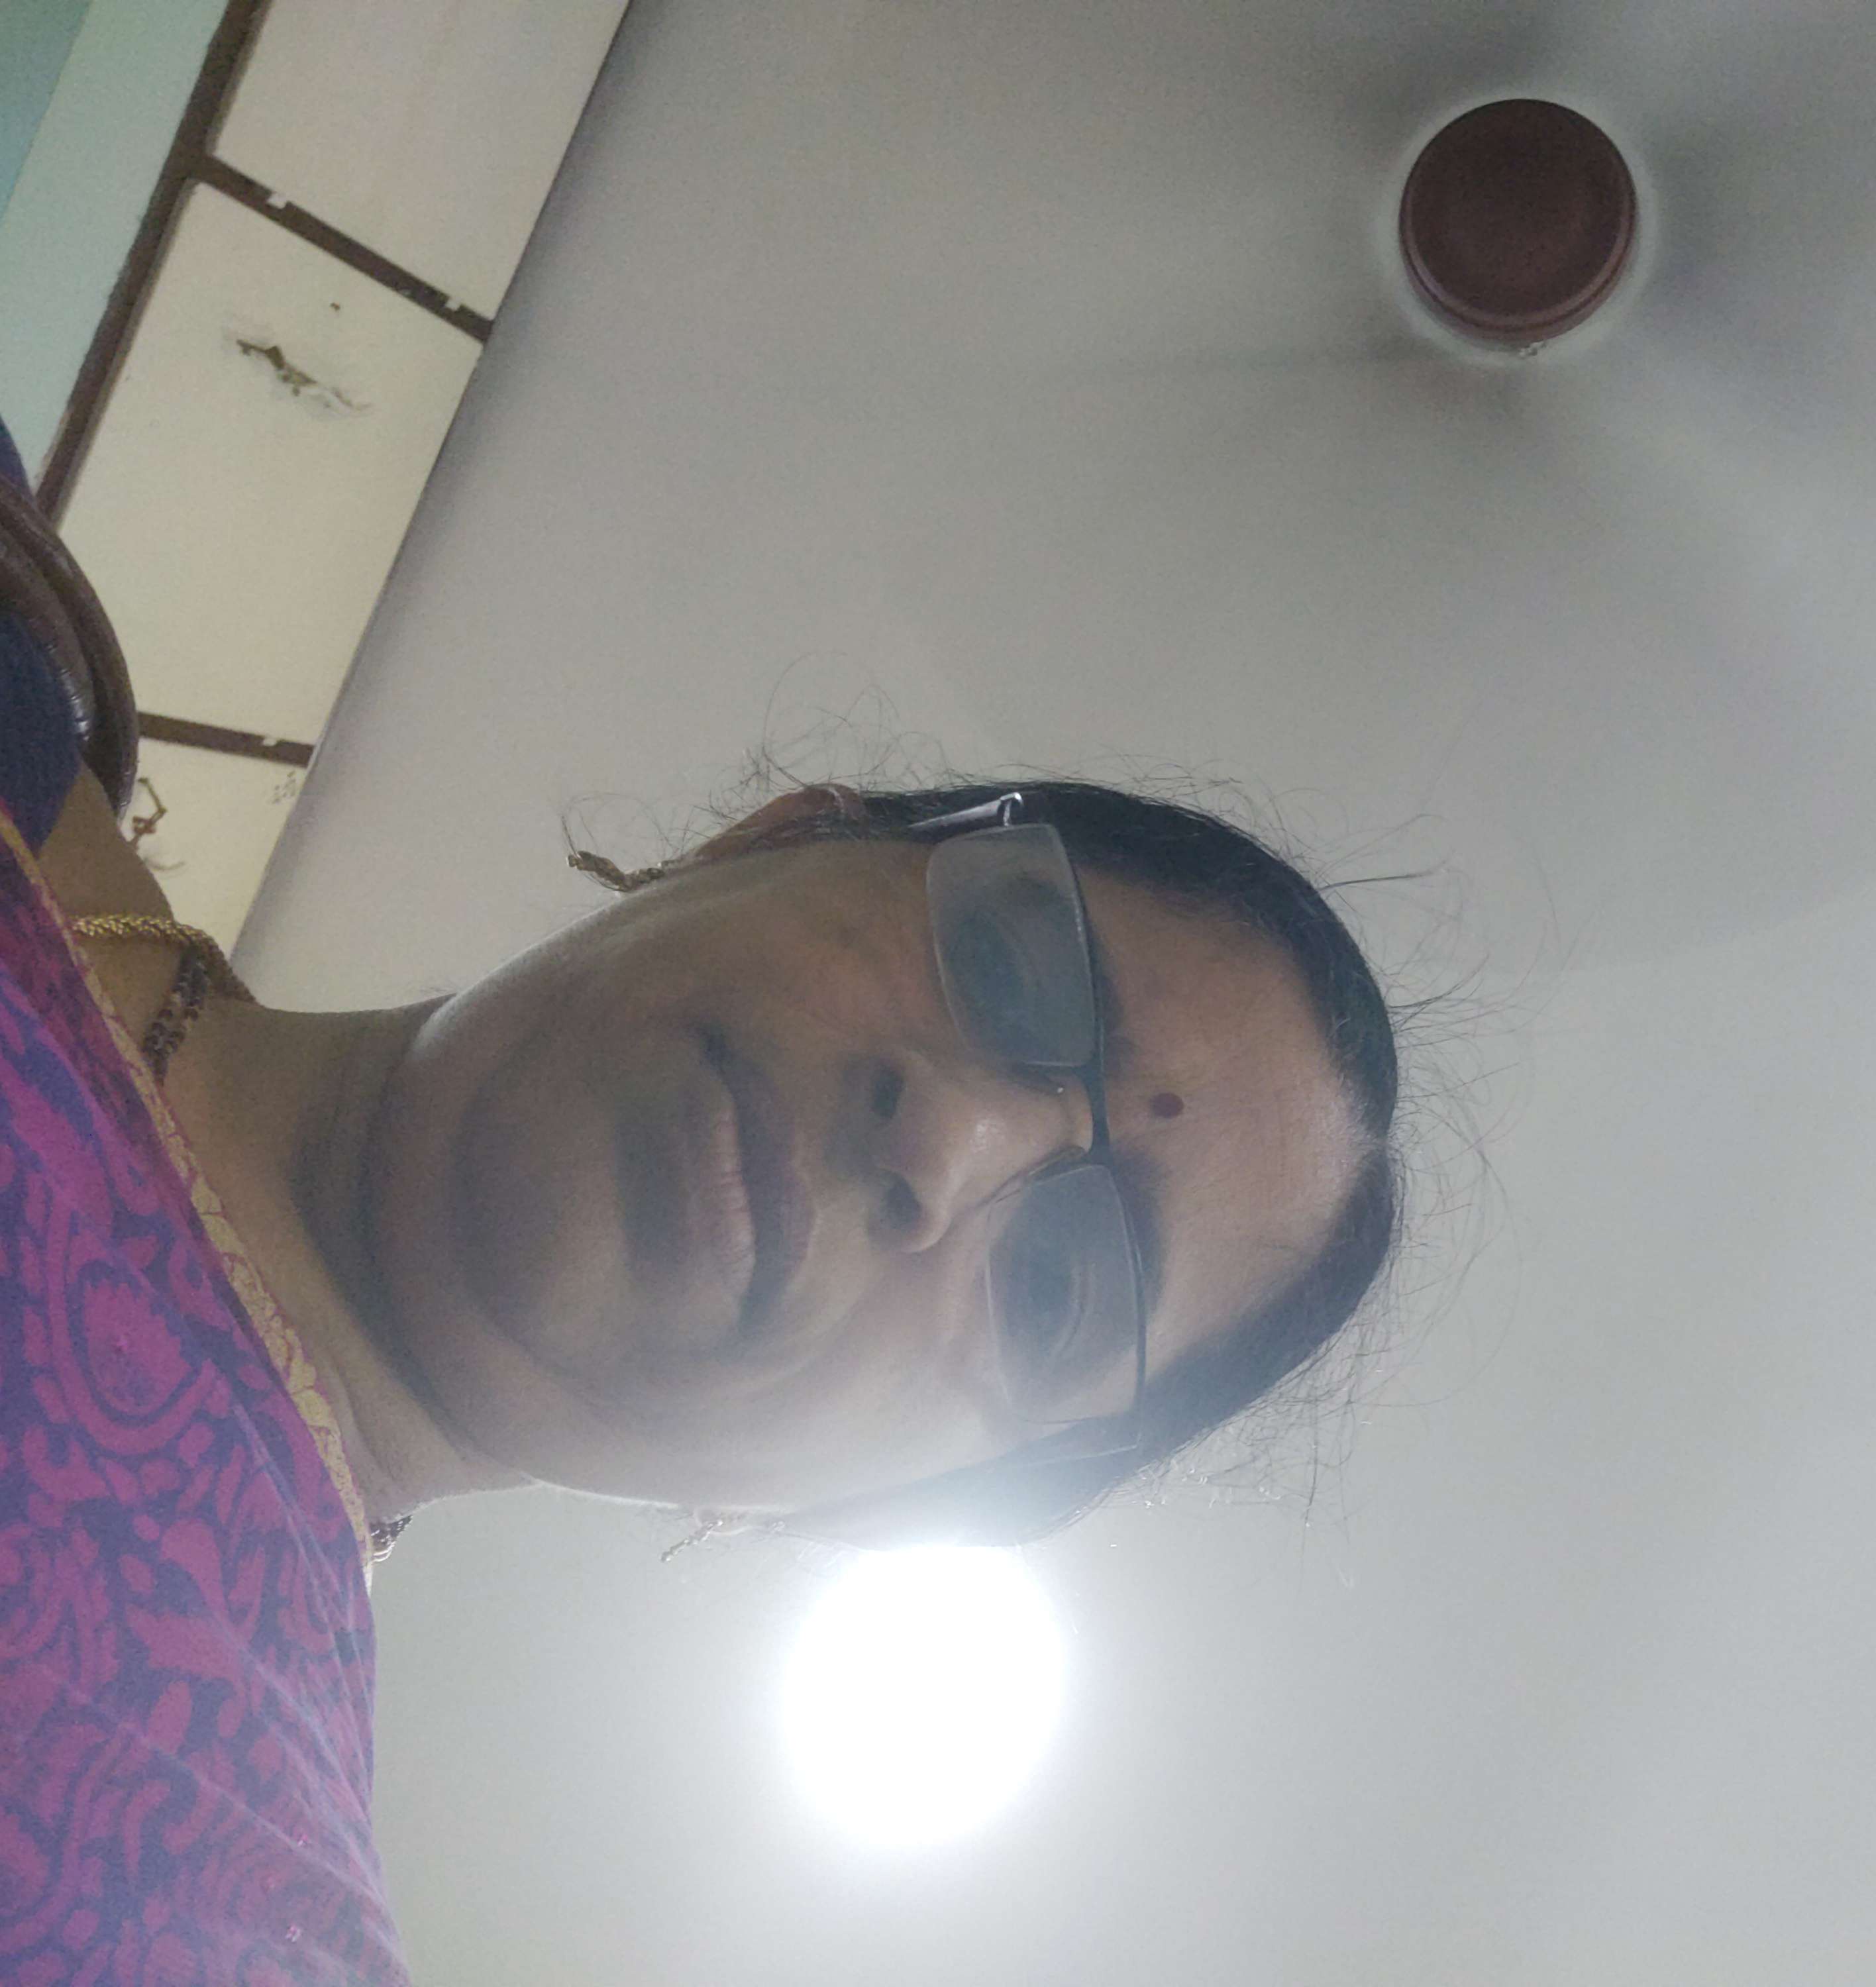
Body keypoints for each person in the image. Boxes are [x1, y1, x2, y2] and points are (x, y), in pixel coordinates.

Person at [0, 421, 1403, 1984]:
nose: (946, 1141)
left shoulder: (195, 1904)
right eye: (1016, 966)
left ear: (874, 1513)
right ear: (767, 840)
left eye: (1053, 1293)